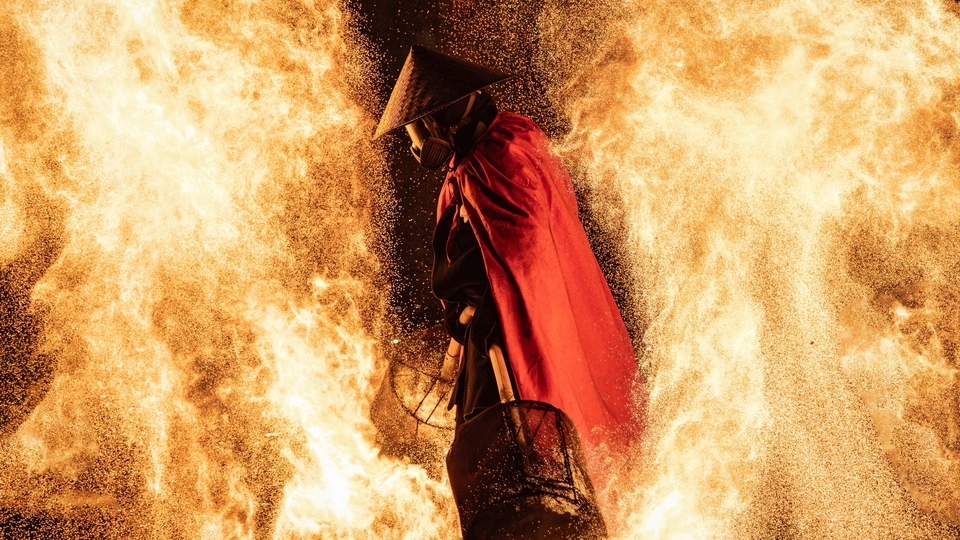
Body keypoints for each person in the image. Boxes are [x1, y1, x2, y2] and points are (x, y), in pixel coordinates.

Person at [375, 45, 645, 539]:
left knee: (509, 467)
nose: (415, 144)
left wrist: (463, 328)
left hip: (503, 340)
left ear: (438, 119)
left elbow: (507, 260)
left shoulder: (490, 163)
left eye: (415, 127)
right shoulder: (517, 138)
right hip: (518, 323)